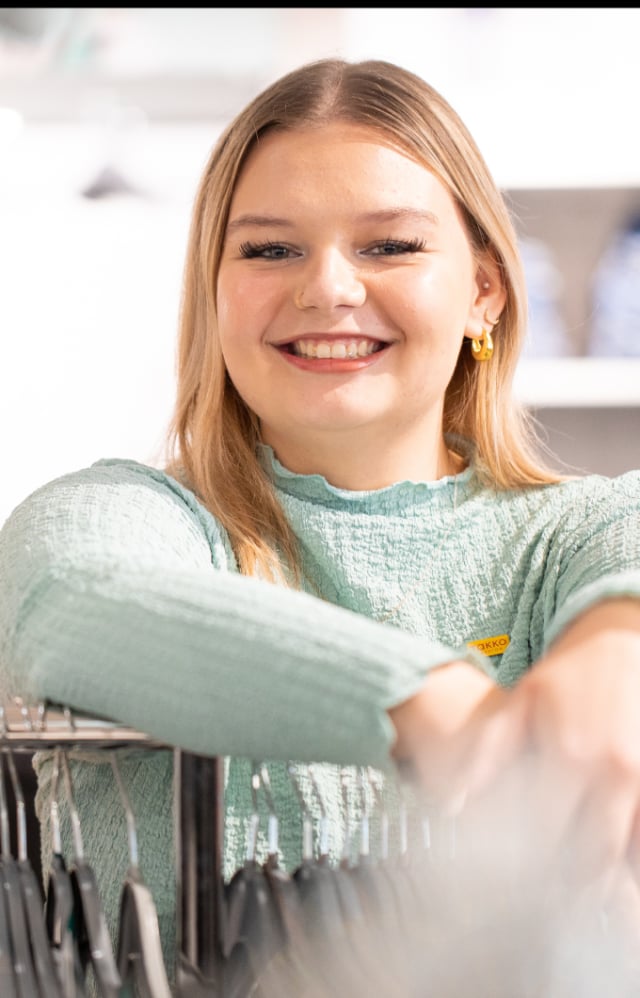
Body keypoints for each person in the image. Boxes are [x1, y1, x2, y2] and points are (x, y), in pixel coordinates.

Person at [1, 56, 640, 994]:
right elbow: (71, 596)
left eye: (390, 246)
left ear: (484, 291)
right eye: (269, 251)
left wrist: (615, 655)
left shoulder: (579, 532)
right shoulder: (130, 520)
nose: (328, 288)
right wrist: (427, 701)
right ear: (214, 292)